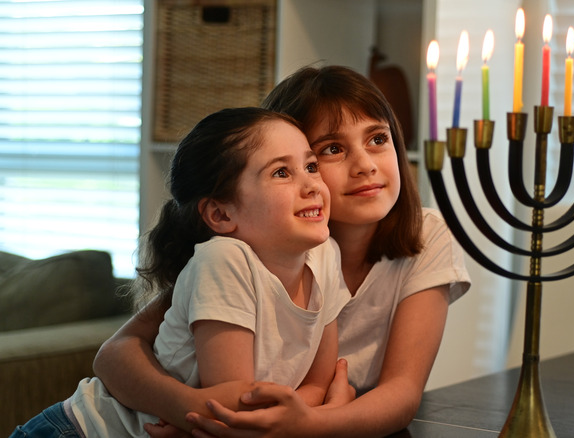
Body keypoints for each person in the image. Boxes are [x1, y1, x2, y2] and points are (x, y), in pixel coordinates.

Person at [92, 66, 471, 437]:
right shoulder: (249, 251)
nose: (366, 166)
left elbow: (402, 394)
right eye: (333, 149)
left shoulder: (424, 237)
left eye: (378, 139)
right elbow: (116, 353)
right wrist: (190, 410)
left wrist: (310, 423)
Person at [10, 107, 350, 437]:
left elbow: (317, 383)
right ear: (219, 214)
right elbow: (234, 407)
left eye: (311, 166)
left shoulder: (324, 255)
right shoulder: (223, 259)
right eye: (281, 173)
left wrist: (300, 420)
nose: (312, 186)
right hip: (80, 430)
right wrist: (308, 417)